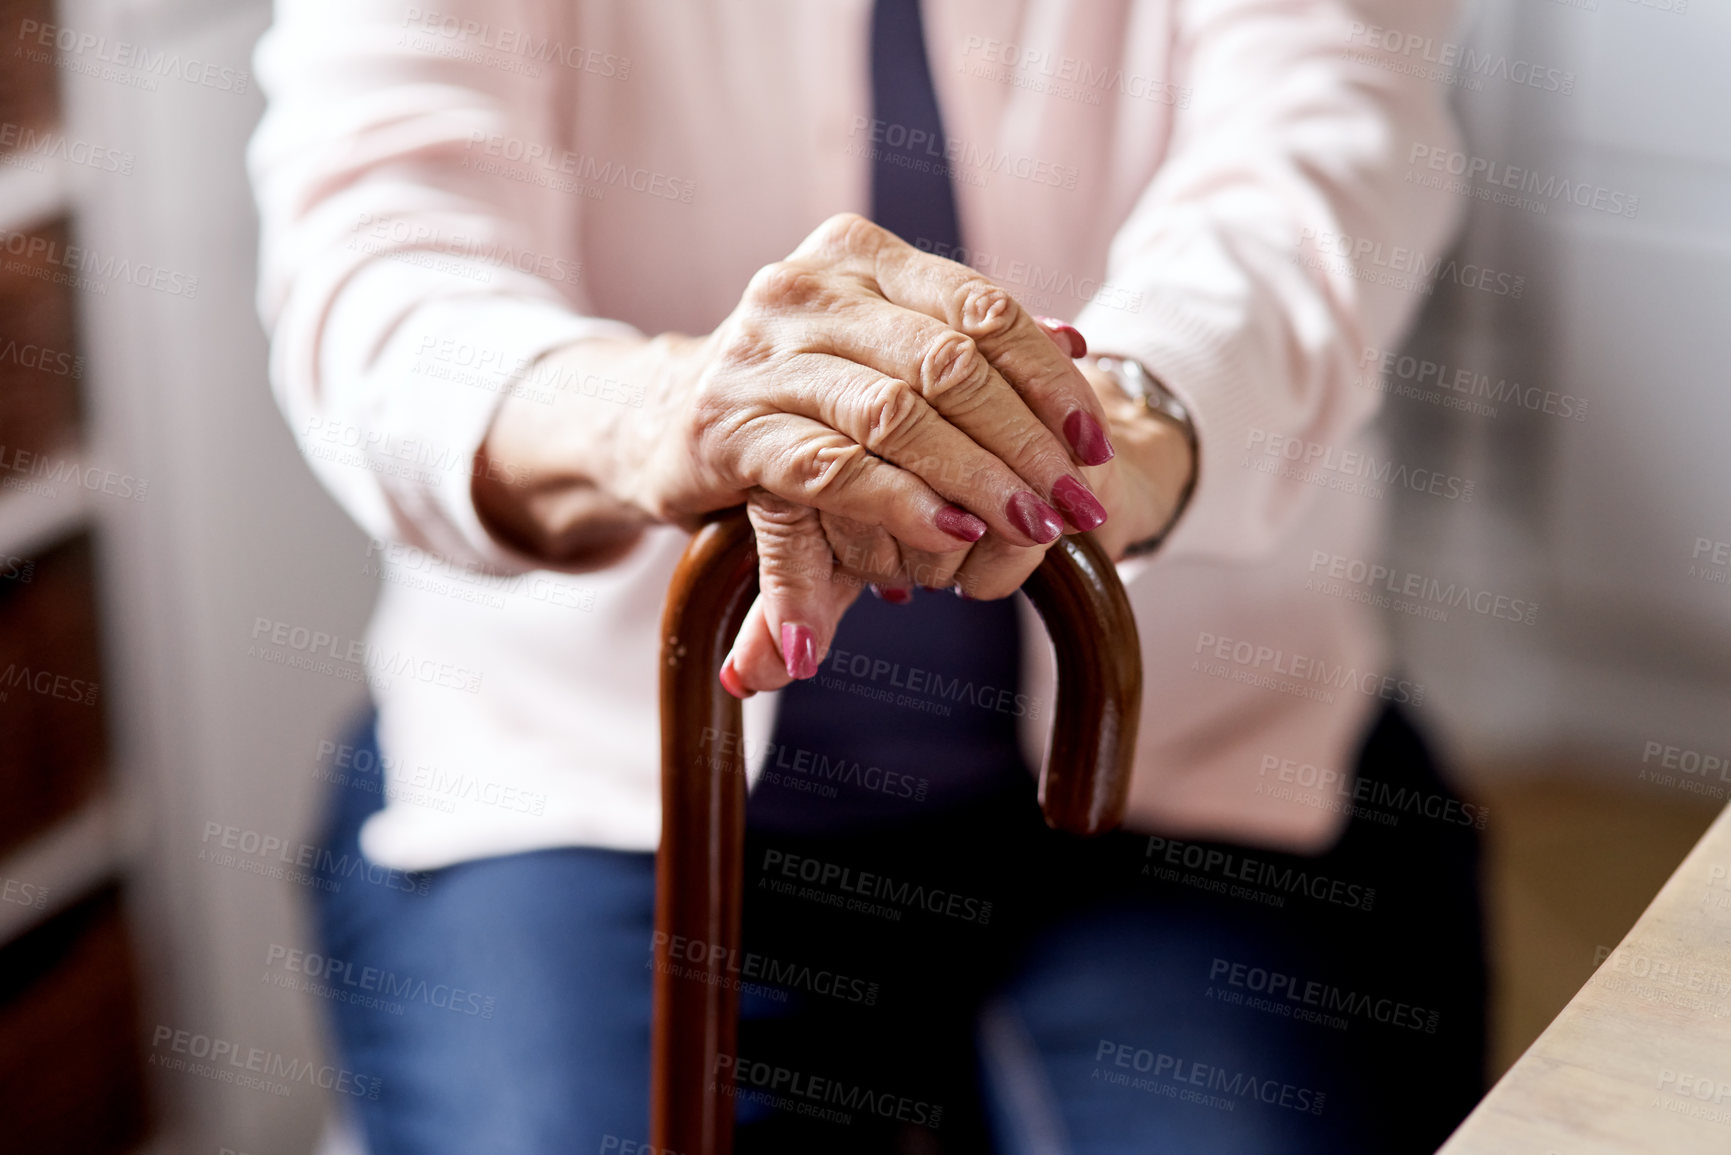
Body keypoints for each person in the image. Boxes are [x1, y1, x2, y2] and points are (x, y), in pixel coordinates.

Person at [250, 0, 1483, 1151]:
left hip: (1179, 778)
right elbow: (381, 264)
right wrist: (682, 414)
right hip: (592, 786)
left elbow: (1323, 155)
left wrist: (1102, 433)